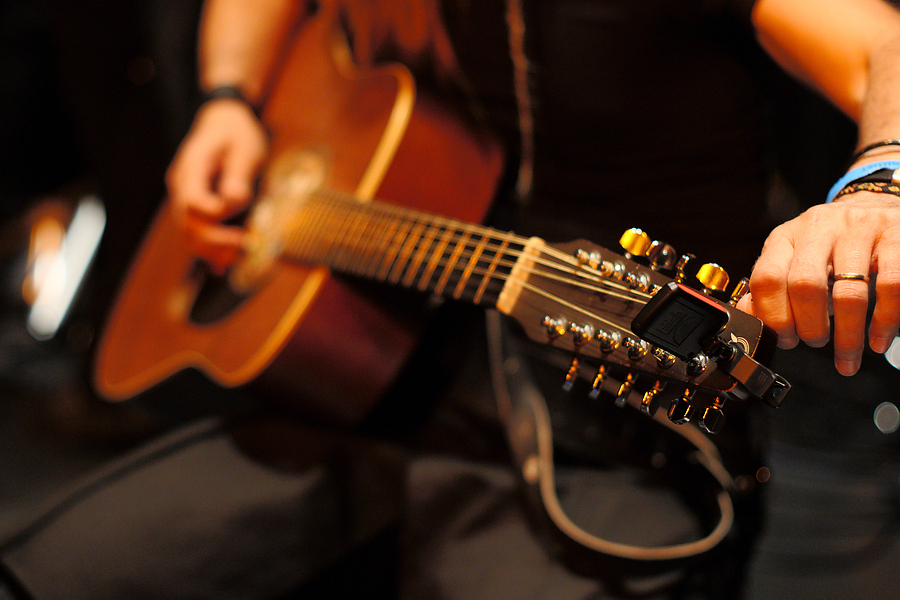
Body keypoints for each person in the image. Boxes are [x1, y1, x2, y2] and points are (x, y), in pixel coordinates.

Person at [3, 0, 900, 598]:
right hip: (368, 393)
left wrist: (879, 186)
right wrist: (231, 98)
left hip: (624, 425)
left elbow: (877, 45)